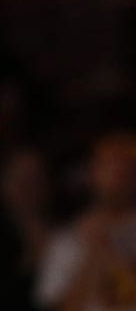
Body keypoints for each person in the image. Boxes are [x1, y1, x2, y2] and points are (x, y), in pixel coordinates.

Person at [35, 131, 136, 310]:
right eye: (110, 165)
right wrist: (94, 256)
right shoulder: (69, 240)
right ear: (92, 173)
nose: (119, 173)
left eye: (128, 167)